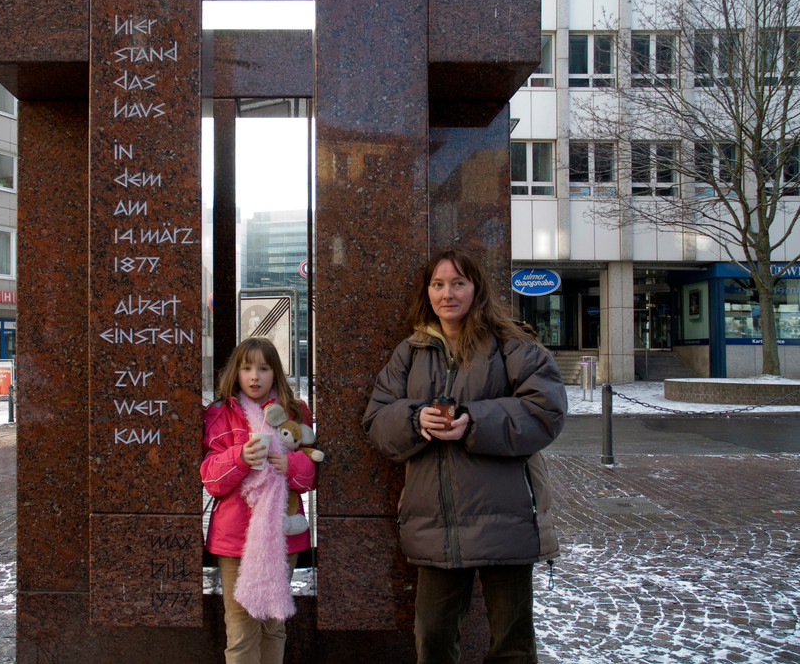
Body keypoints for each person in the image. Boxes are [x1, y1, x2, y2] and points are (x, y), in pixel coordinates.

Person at [363, 250, 566, 664]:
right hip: (436, 523)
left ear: (476, 289)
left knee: (512, 648)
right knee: (433, 641)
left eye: (458, 283)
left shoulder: (513, 344)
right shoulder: (411, 351)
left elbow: (546, 411)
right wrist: (416, 418)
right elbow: (377, 419)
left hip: (506, 518)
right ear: (427, 292)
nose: (447, 294)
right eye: (438, 284)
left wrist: (474, 421)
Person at [201, 336, 316, 664]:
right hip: (234, 541)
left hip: (281, 538)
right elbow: (210, 478)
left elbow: (312, 474)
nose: (255, 376)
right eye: (247, 367)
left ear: (275, 373)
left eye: (263, 368)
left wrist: (290, 464)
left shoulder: (294, 413)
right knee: (240, 631)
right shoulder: (221, 415)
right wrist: (239, 457)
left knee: (273, 628)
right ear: (235, 373)